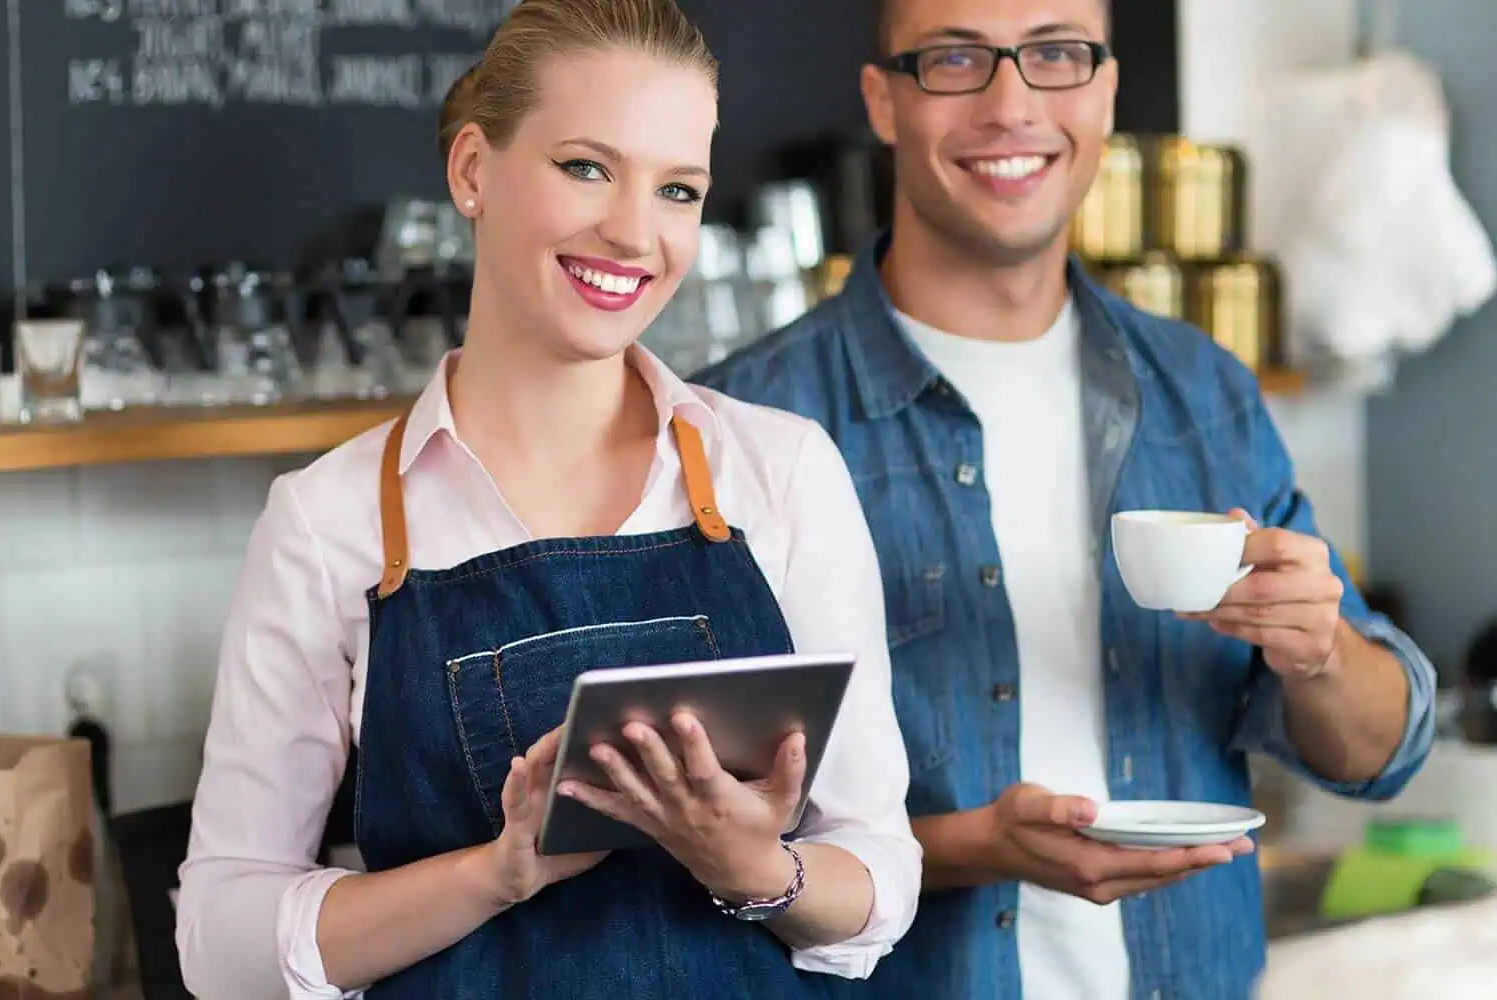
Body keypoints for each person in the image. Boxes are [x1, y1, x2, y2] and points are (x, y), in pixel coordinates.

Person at [174, 2, 923, 998]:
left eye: (678, 188)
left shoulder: (781, 473)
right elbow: (219, 945)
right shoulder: (330, 521)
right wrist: (494, 874)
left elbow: (880, 873)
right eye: (585, 166)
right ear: (473, 171)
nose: (633, 231)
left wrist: (755, 869)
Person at [693, 1, 1440, 998]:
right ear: (883, 101)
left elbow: (1377, 750)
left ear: (1106, 89)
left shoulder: (1204, 391)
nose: (1012, 105)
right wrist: (978, 845)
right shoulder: (748, 422)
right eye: (956, 60)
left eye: (1054, 54)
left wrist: (1321, 647)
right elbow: (706, 831)